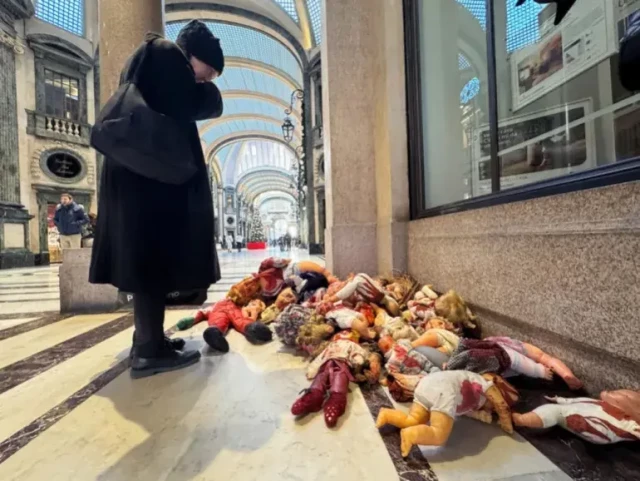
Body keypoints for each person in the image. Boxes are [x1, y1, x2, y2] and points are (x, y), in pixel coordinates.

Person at [90, 20, 225, 378]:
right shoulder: (165, 54)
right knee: (152, 263)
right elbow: (184, 103)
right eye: (208, 71)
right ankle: (149, 351)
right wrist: (211, 97)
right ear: (193, 55)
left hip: (143, 180)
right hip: (148, 186)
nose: (207, 79)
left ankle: (148, 340)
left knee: (150, 262)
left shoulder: (154, 60)